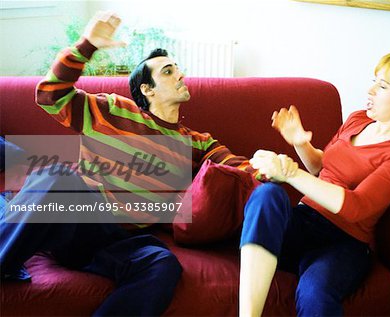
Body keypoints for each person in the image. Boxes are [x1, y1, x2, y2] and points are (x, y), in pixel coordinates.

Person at [0, 11, 255, 316]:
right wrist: (86, 46)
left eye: (178, 69)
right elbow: (49, 96)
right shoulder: (113, 109)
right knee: (56, 177)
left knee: (162, 263)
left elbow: (239, 168)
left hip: (118, 241)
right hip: (78, 218)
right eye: (168, 71)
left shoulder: (196, 141)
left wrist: (279, 167)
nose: (181, 75)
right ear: (147, 90)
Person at [238, 51, 390, 316]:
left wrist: (290, 173)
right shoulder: (358, 119)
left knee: (316, 293)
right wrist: (300, 142)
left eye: (382, 86)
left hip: (345, 242)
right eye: (375, 80)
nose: (370, 90)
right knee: (267, 194)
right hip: (304, 221)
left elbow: (357, 207)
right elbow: (321, 169)